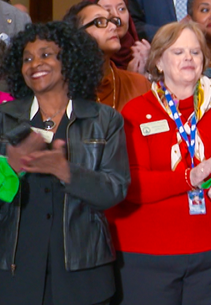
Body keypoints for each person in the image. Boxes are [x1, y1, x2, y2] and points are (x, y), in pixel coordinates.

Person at [110, 23, 211, 305]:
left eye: (195, 52)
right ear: (159, 62)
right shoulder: (136, 110)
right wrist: (189, 178)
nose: (189, 58)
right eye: (178, 51)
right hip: (148, 254)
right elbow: (132, 184)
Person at [0, 21, 130, 305]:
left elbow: (114, 190)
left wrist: (65, 170)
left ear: (69, 60)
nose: (35, 64)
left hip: (84, 276)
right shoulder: (3, 118)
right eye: (27, 58)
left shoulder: (105, 120)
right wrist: (8, 171)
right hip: (15, 275)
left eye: (46, 54)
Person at [63, 1, 150, 111]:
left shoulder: (139, 84)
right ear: (77, 35)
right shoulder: (65, 89)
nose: (113, 26)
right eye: (100, 22)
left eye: (112, 21)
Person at [83, 0, 148, 73]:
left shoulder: (142, 52)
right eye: (107, 10)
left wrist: (152, 66)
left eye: (121, 9)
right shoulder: (83, 63)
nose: (117, 16)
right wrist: (130, 77)